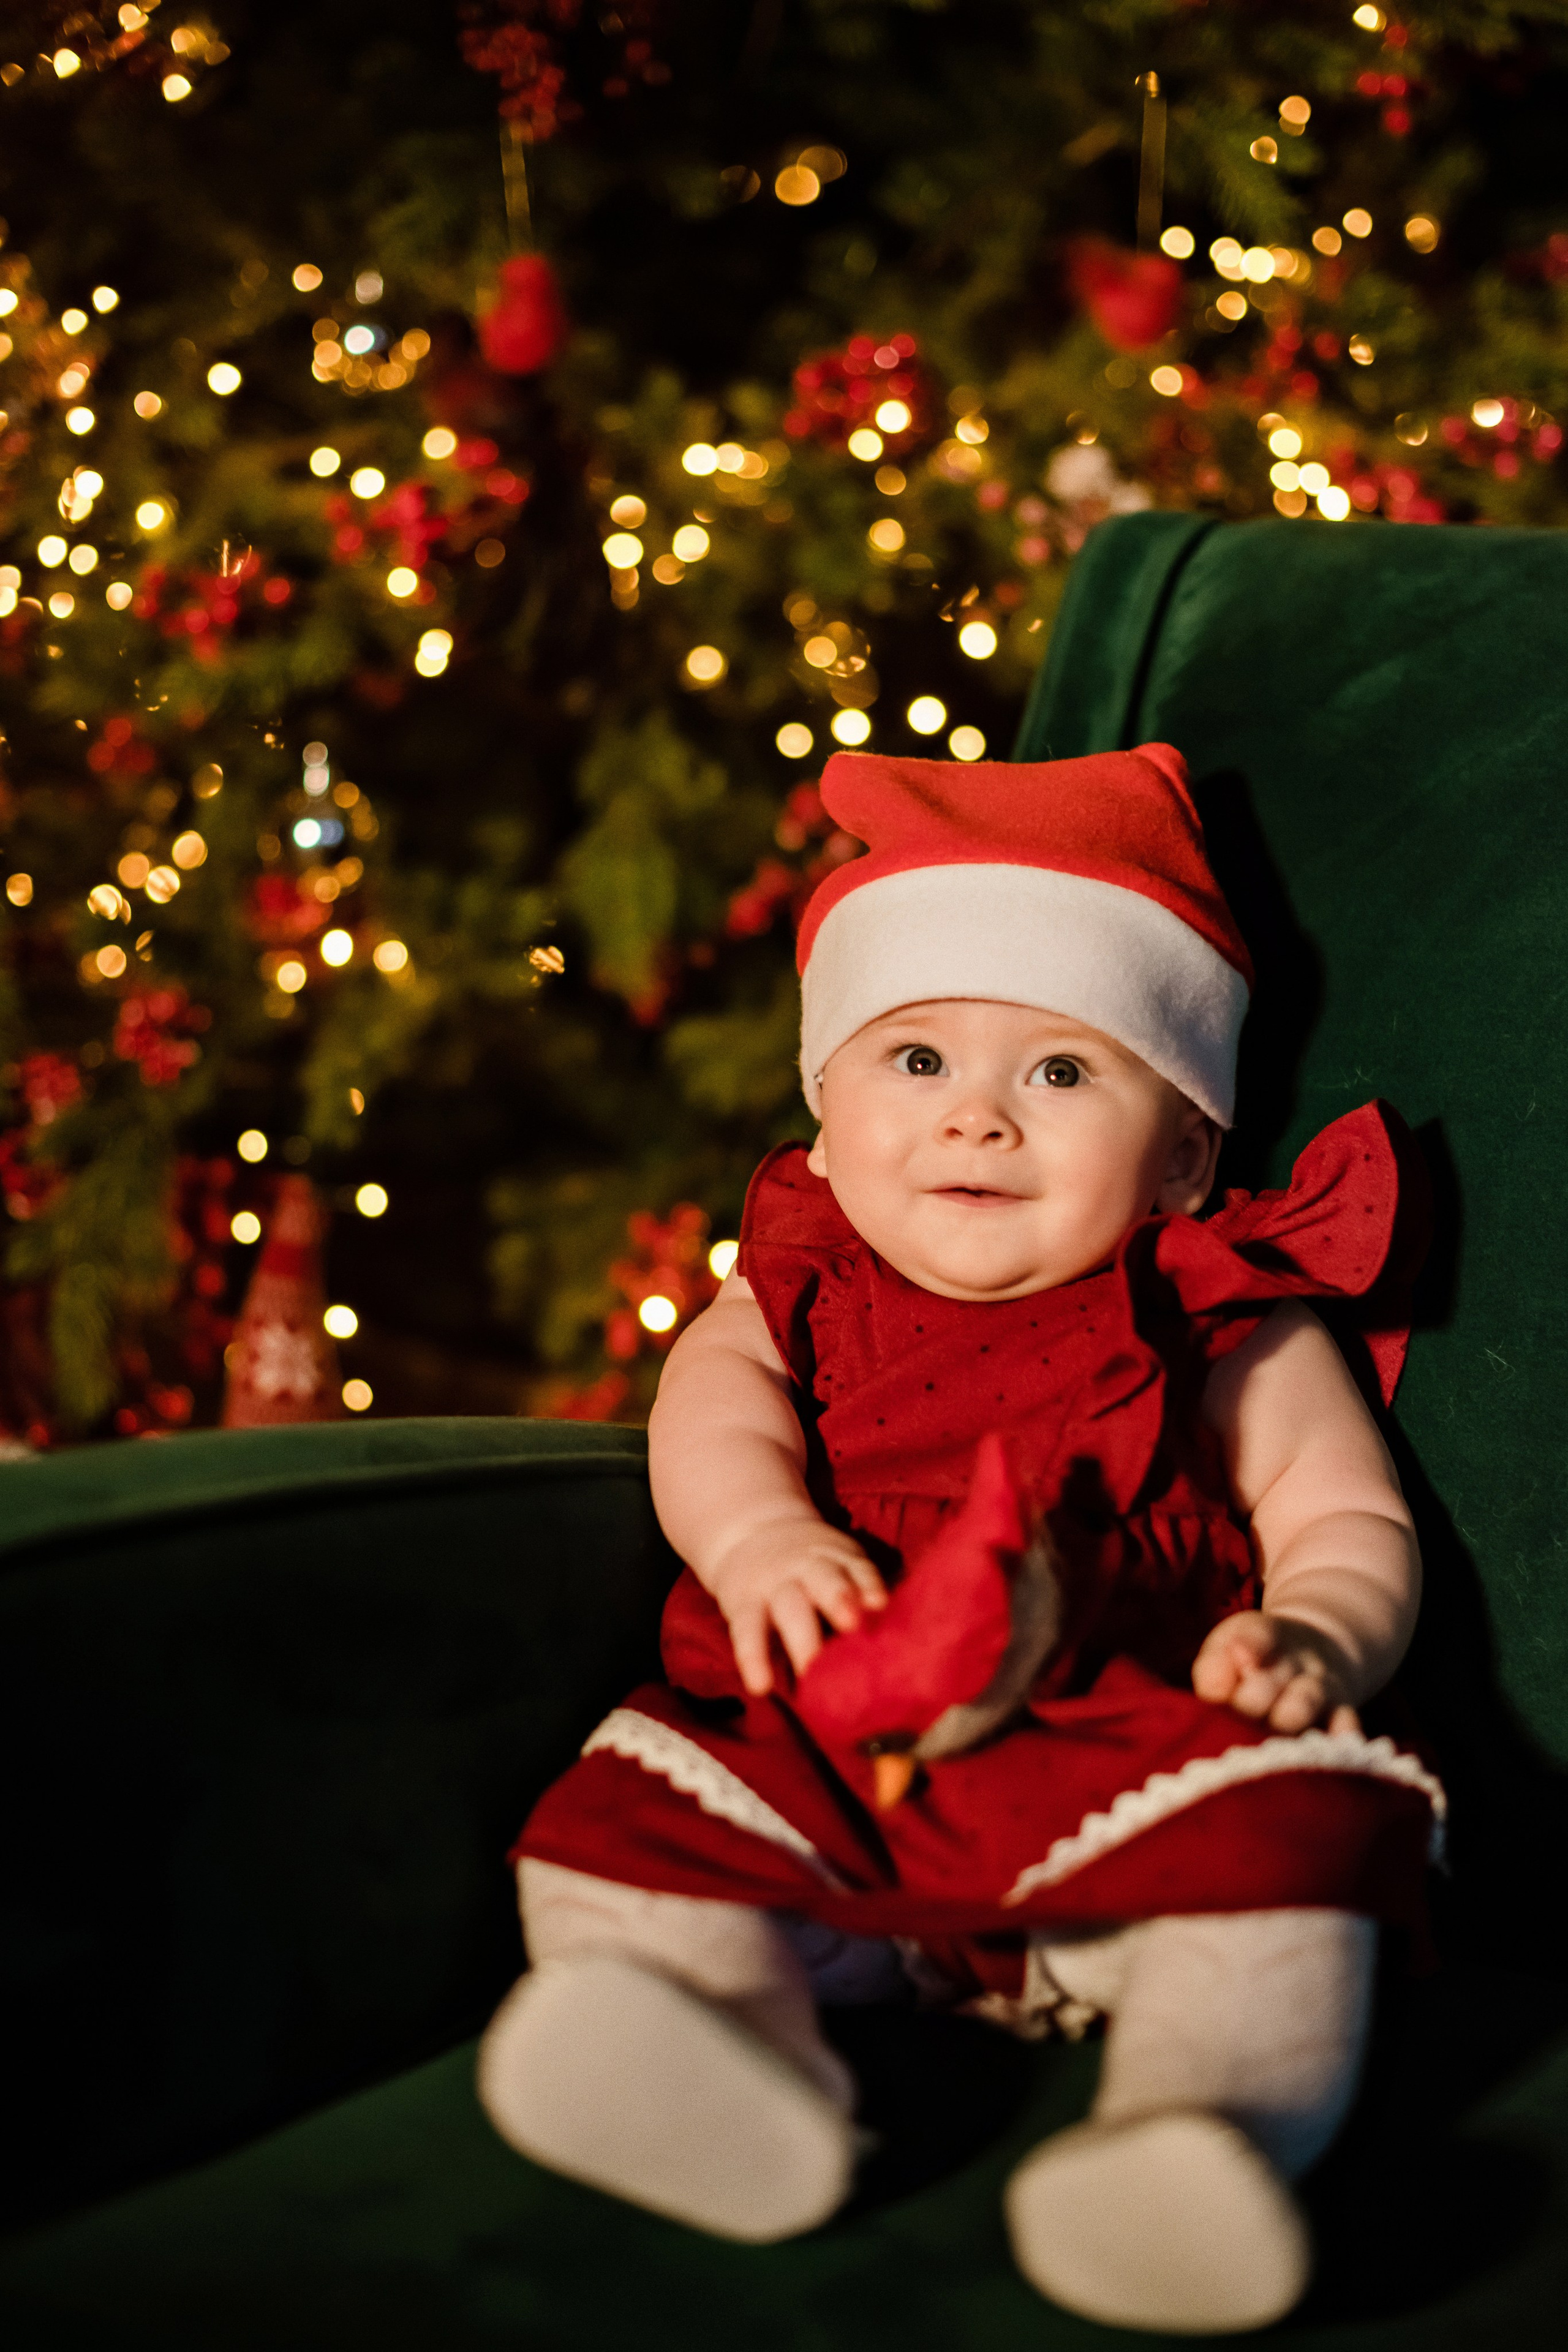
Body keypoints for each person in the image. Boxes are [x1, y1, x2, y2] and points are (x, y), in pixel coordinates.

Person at [479, 744, 1443, 2334]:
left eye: (1063, 1072)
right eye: (913, 1059)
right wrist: (762, 1541)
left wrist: (1324, 1630)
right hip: (835, 1760)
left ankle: (1194, 2136)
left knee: (1292, 1880)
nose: (978, 1118)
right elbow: (707, 1431)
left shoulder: (1223, 1316)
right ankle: (726, 2049)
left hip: (1129, 1764)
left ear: (1189, 1151)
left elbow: (1340, 1508)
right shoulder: (790, 1289)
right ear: (828, 1097)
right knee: (625, 1832)